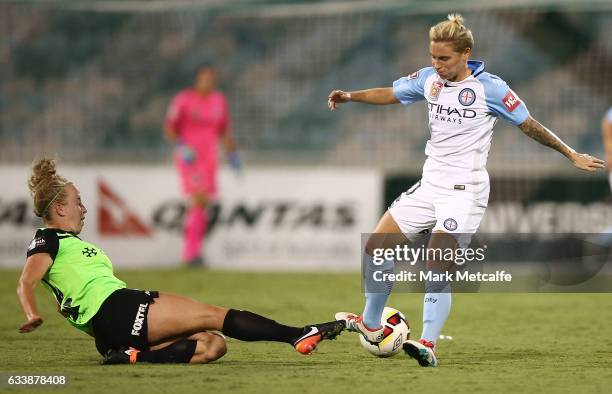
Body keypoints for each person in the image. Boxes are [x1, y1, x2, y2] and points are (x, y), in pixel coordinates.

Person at [327, 14, 604, 367]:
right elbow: (392, 93)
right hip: (429, 185)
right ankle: (369, 323)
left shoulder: (492, 89)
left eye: (444, 58)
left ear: (465, 53)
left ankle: (427, 343)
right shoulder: (429, 80)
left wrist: (571, 154)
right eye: (432, 57)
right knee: (376, 248)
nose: (436, 65)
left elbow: (530, 125)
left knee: (436, 264)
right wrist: (351, 96)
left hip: (464, 191)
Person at [17, 158, 344, 365]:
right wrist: (32, 313)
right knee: (213, 315)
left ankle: (131, 356)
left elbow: (67, 301)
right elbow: (26, 282)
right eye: (78, 202)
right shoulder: (48, 240)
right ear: (60, 209)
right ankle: (296, 334)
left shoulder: (66, 246)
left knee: (213, 346)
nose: (84, 209)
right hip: (119, 309)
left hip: (111, 329)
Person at [164, 62, 241, 266]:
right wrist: (181, 146)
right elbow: (170, 129)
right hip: (190, 157)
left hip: (209, 159)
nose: (208, 82)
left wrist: (233, 154)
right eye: (204, 78)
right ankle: (190, 254)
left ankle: (194, 252)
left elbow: (224, 131)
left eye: (211, 79)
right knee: (198, 198)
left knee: (203, 203)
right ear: (197, 79)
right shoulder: (184, 99)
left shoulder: (218, 100)